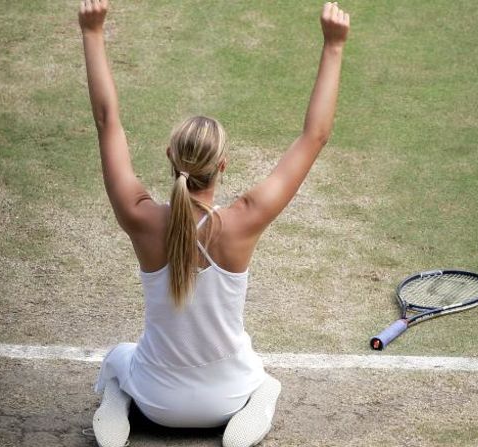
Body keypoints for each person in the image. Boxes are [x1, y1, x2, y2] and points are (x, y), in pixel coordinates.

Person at [78, 1, 350, 446]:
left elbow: (107, 121)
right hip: (227, 396)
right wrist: (333, 46)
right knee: (261, 375)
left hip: (156, 402)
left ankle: (118, 398)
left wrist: (92, 32)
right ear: (222, 165)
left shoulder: (140, 217)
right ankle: (258, 401)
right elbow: (314, 136)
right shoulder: (244, 220)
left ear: (170, 158)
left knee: (119, 358)